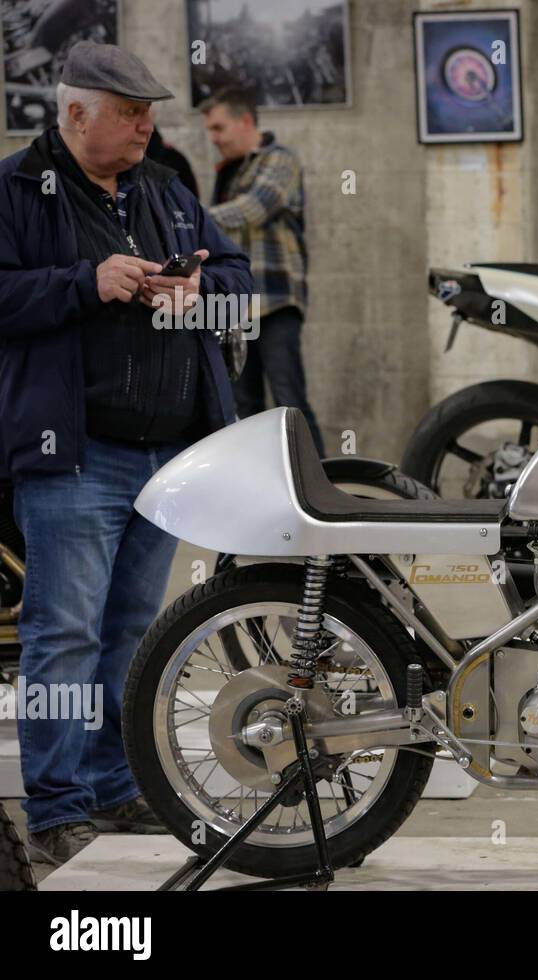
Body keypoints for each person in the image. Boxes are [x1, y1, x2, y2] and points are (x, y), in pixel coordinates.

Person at [0, 41, 253, 864]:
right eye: (129, 113)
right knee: (64, 635)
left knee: (133, 635)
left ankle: (115, 785)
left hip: (165, 460)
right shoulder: (16, 191)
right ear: (75, 114)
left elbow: (246, 283)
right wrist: (85, 283)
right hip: (73, 457)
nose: (147, 126)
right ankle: (58, 807)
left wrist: (200, 291)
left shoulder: (166, 190)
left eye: (149, 113)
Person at [200, 87, 323, 455]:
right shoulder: (229, 172)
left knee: (289, 401)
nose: (214, 138)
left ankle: (327, 492)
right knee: (243, 407)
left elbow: (253, 209)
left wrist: (190, 220)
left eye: (219, 128)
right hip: (236, 307)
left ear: (246, 121)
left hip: (274, 301)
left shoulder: (280, 160)